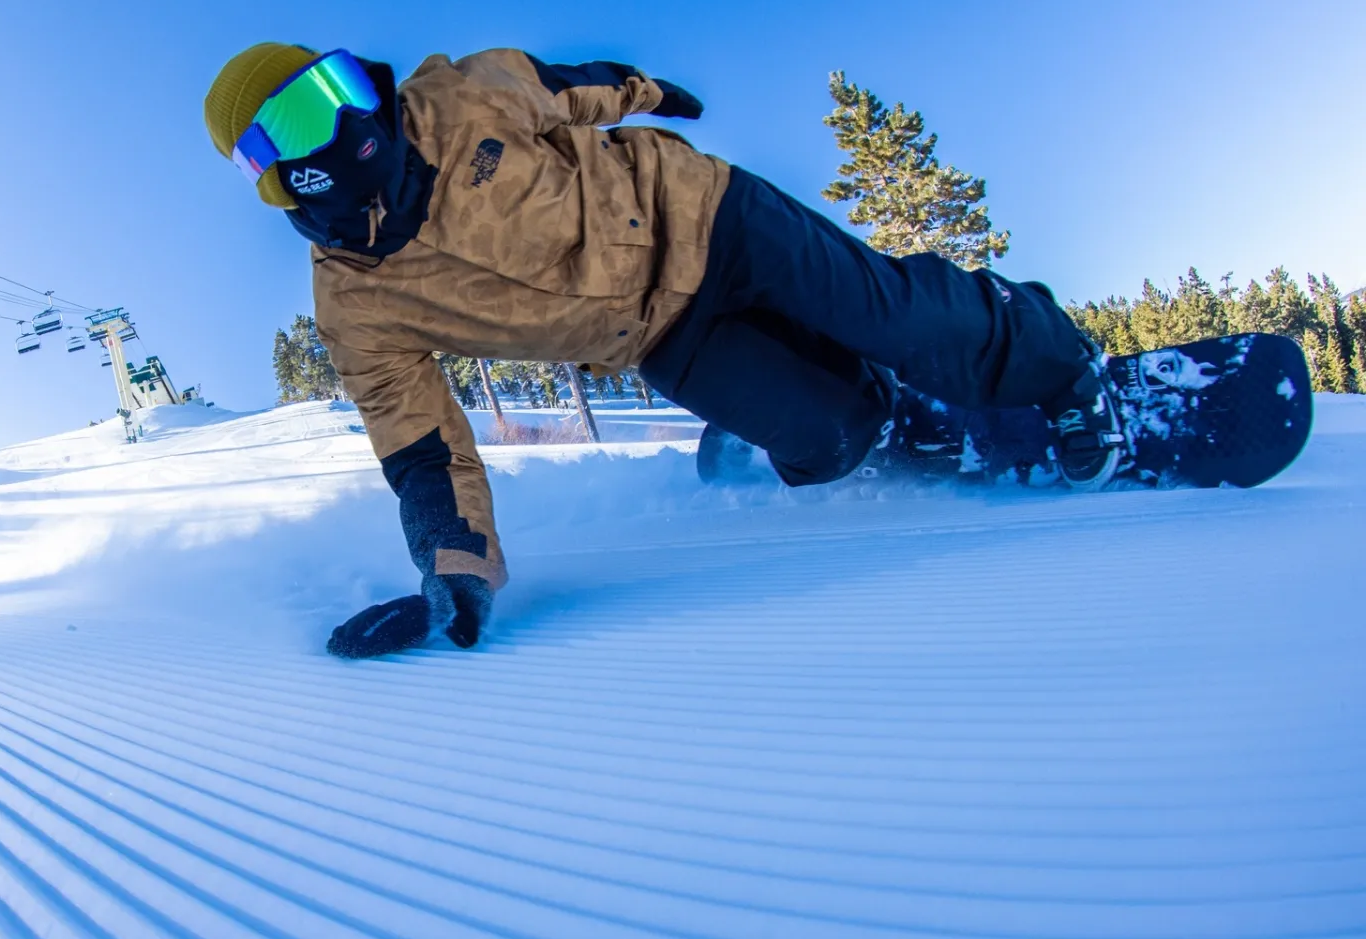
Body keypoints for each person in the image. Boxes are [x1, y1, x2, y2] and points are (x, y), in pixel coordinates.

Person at [203, 45, 1124, 659]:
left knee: (897, 315)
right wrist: (454, 569)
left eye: (339, 88)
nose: (346, 119)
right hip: (651, 333)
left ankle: (1055, 359)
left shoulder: (455, 96)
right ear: (275, 181)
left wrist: (647, 90)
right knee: (830, 440)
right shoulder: (357, 306)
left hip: (709, 215)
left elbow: (572, 84)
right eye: (295, 122)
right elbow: (422, 449)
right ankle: (880, 411)